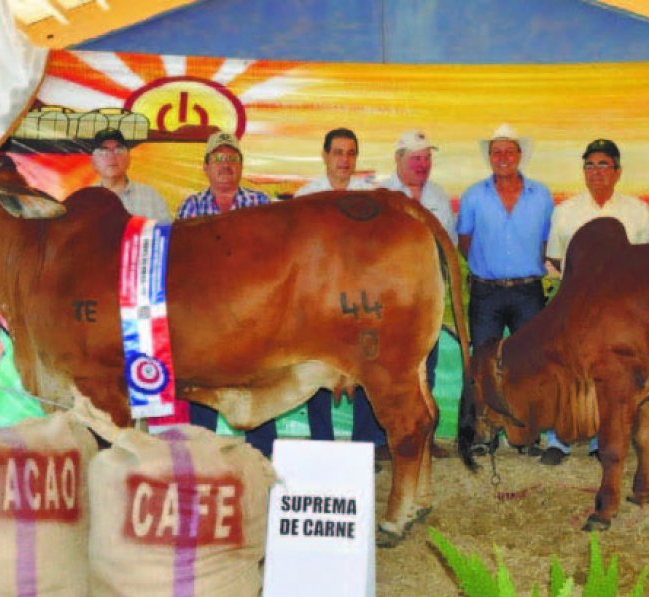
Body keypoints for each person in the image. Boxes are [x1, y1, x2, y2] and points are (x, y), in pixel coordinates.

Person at [541, 138, 649, 465]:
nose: (596, 171)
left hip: (621, 310)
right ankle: (559, 439)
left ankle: (599, 440)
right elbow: (555, 259)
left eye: (604, 165)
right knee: (567, 372)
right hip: (575, 307)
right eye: (589, 165)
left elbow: (645, 261)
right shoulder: (565, 212)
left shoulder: (637, 211)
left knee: (610, 374)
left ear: (618, 171)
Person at [176, 131, 277, 456]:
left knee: (257, 385)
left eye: (232, 158)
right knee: (202, 385)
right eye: (218, 158)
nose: (225, 165)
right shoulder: (190, 207)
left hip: (251, 313)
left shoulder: (261, 204)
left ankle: (261, 457)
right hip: (204, 316)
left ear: (241, 166)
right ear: (205, 167)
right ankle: (200, 456)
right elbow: (179, 264)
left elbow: (277, 259)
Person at [456, 123, 553, 456]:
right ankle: (485, 436)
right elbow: (464, 242)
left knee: (528, 366)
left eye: (509, 151)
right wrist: (488, 267)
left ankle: (526, 436)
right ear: (489, 156)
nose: (503, 157)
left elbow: (546, 242)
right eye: (496, 152)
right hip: (486, 293)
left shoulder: (542, 195)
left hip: (528, 292)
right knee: (483, 367)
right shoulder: (473, 196)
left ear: (520, 155)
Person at [294, 128, 382, 447]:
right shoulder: (306, 197)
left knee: (365, 369)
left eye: (351, 153)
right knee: (317, 371)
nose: (344, 160)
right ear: (325, 155)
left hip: (361, 299)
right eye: (338, 152)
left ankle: (364, 447)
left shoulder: (371, 198)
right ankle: (322, 443)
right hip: (319, 299)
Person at [379, 130, 455, 407]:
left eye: (427, 158)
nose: (423, 165)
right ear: (398, 160)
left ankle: (423, 425)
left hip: (427, 299)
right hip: (390, 301)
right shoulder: (382, 196)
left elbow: (449, 245)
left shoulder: (439, 196)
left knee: (426, 370)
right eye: (416, 159)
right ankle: (381, 431)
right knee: (385, 369)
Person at [90, 128, 170, 221]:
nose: (112, 156)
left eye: (118, 151)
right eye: (104, 152)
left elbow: (165, 229)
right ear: (93, 162)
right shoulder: (85, 199)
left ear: (128, 159)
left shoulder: (150, 197)